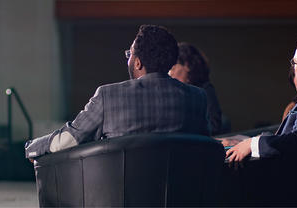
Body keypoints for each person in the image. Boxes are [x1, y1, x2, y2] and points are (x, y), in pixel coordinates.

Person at [25, 25, 210, 159]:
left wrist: (31, 147)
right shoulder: (198, 98)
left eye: (129, 55)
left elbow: (68, 140)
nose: (128, 60)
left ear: (137, 63)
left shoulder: (108, 96)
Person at [169, 42, 226, 135]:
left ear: (187, 65)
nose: (170, 73)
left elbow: (214, 126)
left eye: (173, 68)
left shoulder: (205, 90)